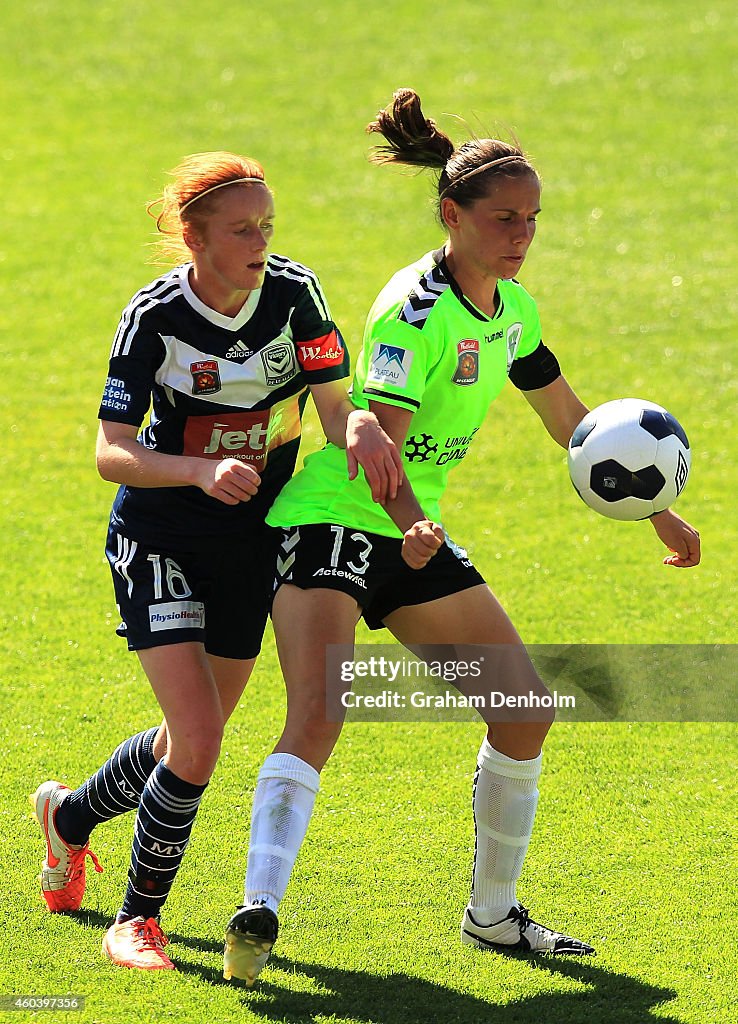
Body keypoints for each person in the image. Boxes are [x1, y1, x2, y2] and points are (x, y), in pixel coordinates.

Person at [222, 90, 701, 985]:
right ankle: (259, 909)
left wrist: (652, 505)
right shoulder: (412, 310)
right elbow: (374, 445)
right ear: (453, 214)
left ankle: (493, 918)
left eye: (533, 218)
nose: (522, 234)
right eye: (504, 217)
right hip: (339, 519)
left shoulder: (513, 309)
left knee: (524, 713)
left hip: (415, 531)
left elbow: (571, 421)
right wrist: (409, 527)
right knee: (320, 712)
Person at [30, 151, 402, 971]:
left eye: (266, 225)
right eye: (241, 228)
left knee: (187, 738)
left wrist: (361, 429)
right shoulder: (155, 315)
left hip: (254, 538)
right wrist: (198, 469)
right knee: (198, 742)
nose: (260, 240)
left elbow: (335, 401)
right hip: (162, 532)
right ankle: (136, 921)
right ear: (193, 237)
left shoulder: (295, 294)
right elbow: (112, 451)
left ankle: (69, 818)